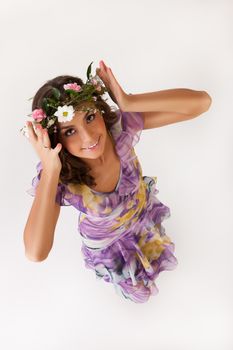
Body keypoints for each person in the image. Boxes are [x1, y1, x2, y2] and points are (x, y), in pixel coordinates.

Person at [21, 60, 212, 303]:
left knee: (158, 255)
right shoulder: (60, 177)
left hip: (141, 215)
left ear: (100, 110)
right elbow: (35, 253)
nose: (89, 136)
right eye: (70, 131)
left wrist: (129, 101)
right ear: (52, 139)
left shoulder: (119, 130)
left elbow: (201, 103)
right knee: (138, 290)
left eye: (90, 117)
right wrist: (49, 170)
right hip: (111, 244)